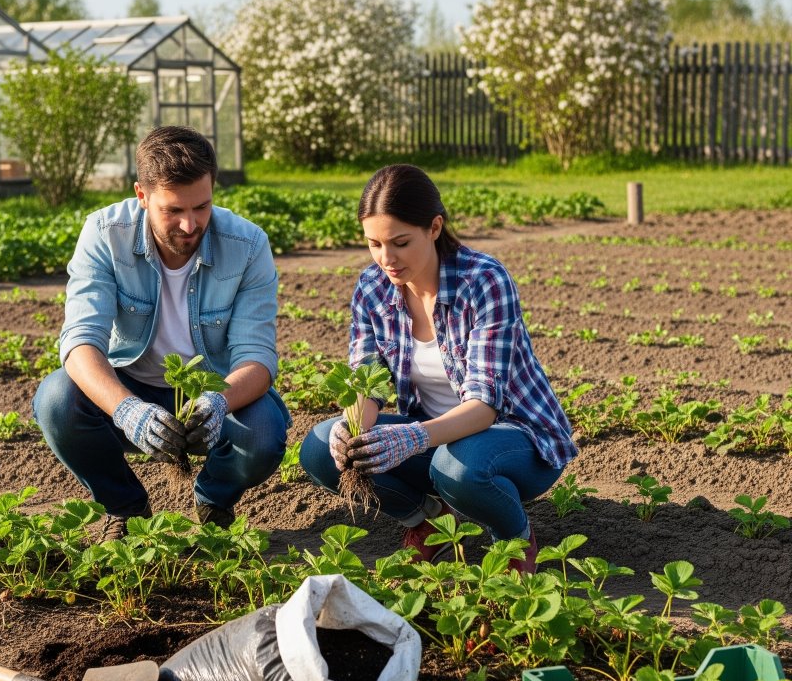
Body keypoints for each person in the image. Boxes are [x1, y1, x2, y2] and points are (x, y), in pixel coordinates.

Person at [299, 164, 577, 573]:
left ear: (434, 227)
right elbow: (367, 382)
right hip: (433, 438)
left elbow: (484, 406)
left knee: (455, 467)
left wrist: (411, 437)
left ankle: (515, 539)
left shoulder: (483, 280)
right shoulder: (372, 287)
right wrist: (353, 427)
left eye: (400, 242)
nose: (386, 259)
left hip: (517, 439)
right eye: (374, 244)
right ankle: (427, 521)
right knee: (324, 447)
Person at [33, 126, 290, 539]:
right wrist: (125, 409)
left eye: (202, 207)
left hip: (212, 391)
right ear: (141, 195)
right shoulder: (104, 234)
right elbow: (81, 341)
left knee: (263, 431)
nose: (190, 225)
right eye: (173, 210)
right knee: (57, 400)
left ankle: (214, 501)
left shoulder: (246, 244)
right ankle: (126, 509)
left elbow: (257, 357)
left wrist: (219, 402)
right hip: (131, 384)